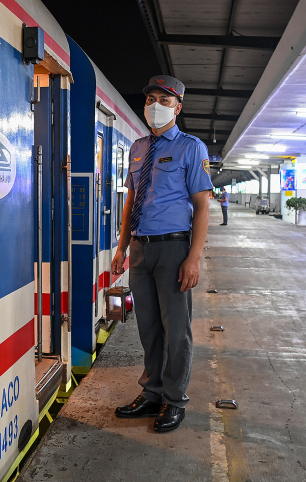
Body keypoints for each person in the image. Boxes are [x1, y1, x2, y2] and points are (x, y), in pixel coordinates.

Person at [111, 75, 213, 433]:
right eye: (151, 99)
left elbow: (202, 206)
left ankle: (174, 399)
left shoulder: (191, 147)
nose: (156, 105)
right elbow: (131, 201)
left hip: (173, 249)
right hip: (141, 250)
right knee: (150, 328)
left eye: (164, 100)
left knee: (176, 330)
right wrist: (122, 247)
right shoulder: (138, 148)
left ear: (177, 107)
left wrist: (193, 257)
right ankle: (152, 393)